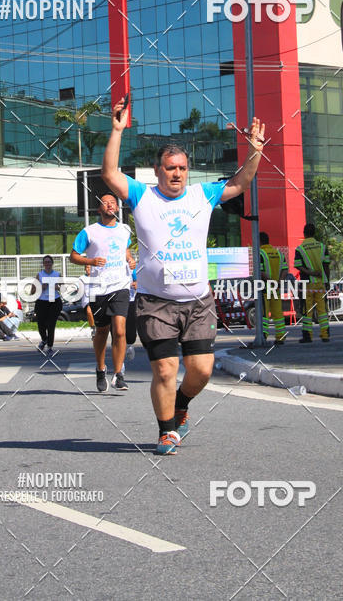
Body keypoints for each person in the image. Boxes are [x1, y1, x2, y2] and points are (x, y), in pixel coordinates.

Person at [102, 99, 266, 455]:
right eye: (170, 168)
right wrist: (117, 130)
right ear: (158, 171)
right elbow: (110, 175)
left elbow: (239, 184)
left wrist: (254, 152)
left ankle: (181, 403)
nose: (177, 173)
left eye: (182, 168)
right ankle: (165, 432)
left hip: (198, 302)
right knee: (163, 369)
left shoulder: (201, 195)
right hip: (155, 302)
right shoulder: (142, 196)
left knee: (202, 370)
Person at [70, 193, 134, 392]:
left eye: (113, 202)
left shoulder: (125, 229)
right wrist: (90, 261)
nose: (110, 205)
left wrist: (130, 260)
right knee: (102, 331)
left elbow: (125, 250)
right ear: (99, 209)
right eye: (105, 202)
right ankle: (100, 369)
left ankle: (119, 375)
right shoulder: (89, 232)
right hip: (98, 286)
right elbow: (73, 256)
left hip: (120, 284)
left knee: (120, 329)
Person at [294, 223, 331, 343]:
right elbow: (326, 265)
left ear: (304, 234)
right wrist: (327, 281)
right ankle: (325, 335)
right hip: (320, 283)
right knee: (322, 310)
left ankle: (307, 336)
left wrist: (311, 273)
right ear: (314, 233)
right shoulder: (322, 246)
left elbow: (299, 266)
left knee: (307, 310)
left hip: (307, 283)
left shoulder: (300, 249)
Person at [260, 232, 289, 345]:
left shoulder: (260, 253)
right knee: (278, 314)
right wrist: (279, 282)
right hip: (276, 289)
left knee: (264, 314)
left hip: (265, 289)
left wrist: (271, 281)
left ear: (259, 241)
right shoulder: (279, 253)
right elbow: (285, 270)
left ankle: (263, 336)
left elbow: (261, 272)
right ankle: (280, 337)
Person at [34, 255, 62, 354]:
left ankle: (50, 345)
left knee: (51, 324)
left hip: (54, 301)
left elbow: (63, 288)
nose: (47, 264)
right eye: (45, 262)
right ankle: (44, 339)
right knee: (41, 324)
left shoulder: (57, 274)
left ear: (52, 263)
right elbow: (32, 290)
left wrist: (57, 287)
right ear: (43, 264)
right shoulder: (40, 275)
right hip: (42, 301)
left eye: (49, 262)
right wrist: (41, 286)